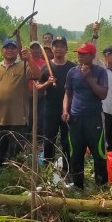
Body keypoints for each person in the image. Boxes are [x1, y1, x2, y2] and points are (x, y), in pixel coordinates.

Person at [0, 38, 41, 171]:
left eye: (13, 48)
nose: (10, 50)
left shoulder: (23, 66)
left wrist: (29, 59)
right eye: (7, 48)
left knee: (16, 152)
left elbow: (37, 75)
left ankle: (13, 177)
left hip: (18, 119)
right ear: (2, 51)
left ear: (18, 51)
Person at [63, 42, 109, 189]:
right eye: (79, 53)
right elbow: (68, 94)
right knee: (76, 153)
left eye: (84, 54)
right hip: (76, 118)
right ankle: (78, 185)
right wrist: (65, 110)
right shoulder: (72, 72)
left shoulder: (100, 72)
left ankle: (101, 185)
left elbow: (103, 94)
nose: (80, 56)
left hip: (93, 118)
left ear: (92, 56)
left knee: (98, 153)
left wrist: (89, 78)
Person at [37, 36, 76, 173]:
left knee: (67, 142)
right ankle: (47, 170)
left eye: (61, 46)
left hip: (68, 110)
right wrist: (47, 82)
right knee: (49, 140)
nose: (59, 49)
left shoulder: (72, 68)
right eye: (56, 46)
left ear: (66, 49)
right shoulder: (46, 67)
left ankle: (68, 170)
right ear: (52, 49)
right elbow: (38, 87)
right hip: (50, 109)